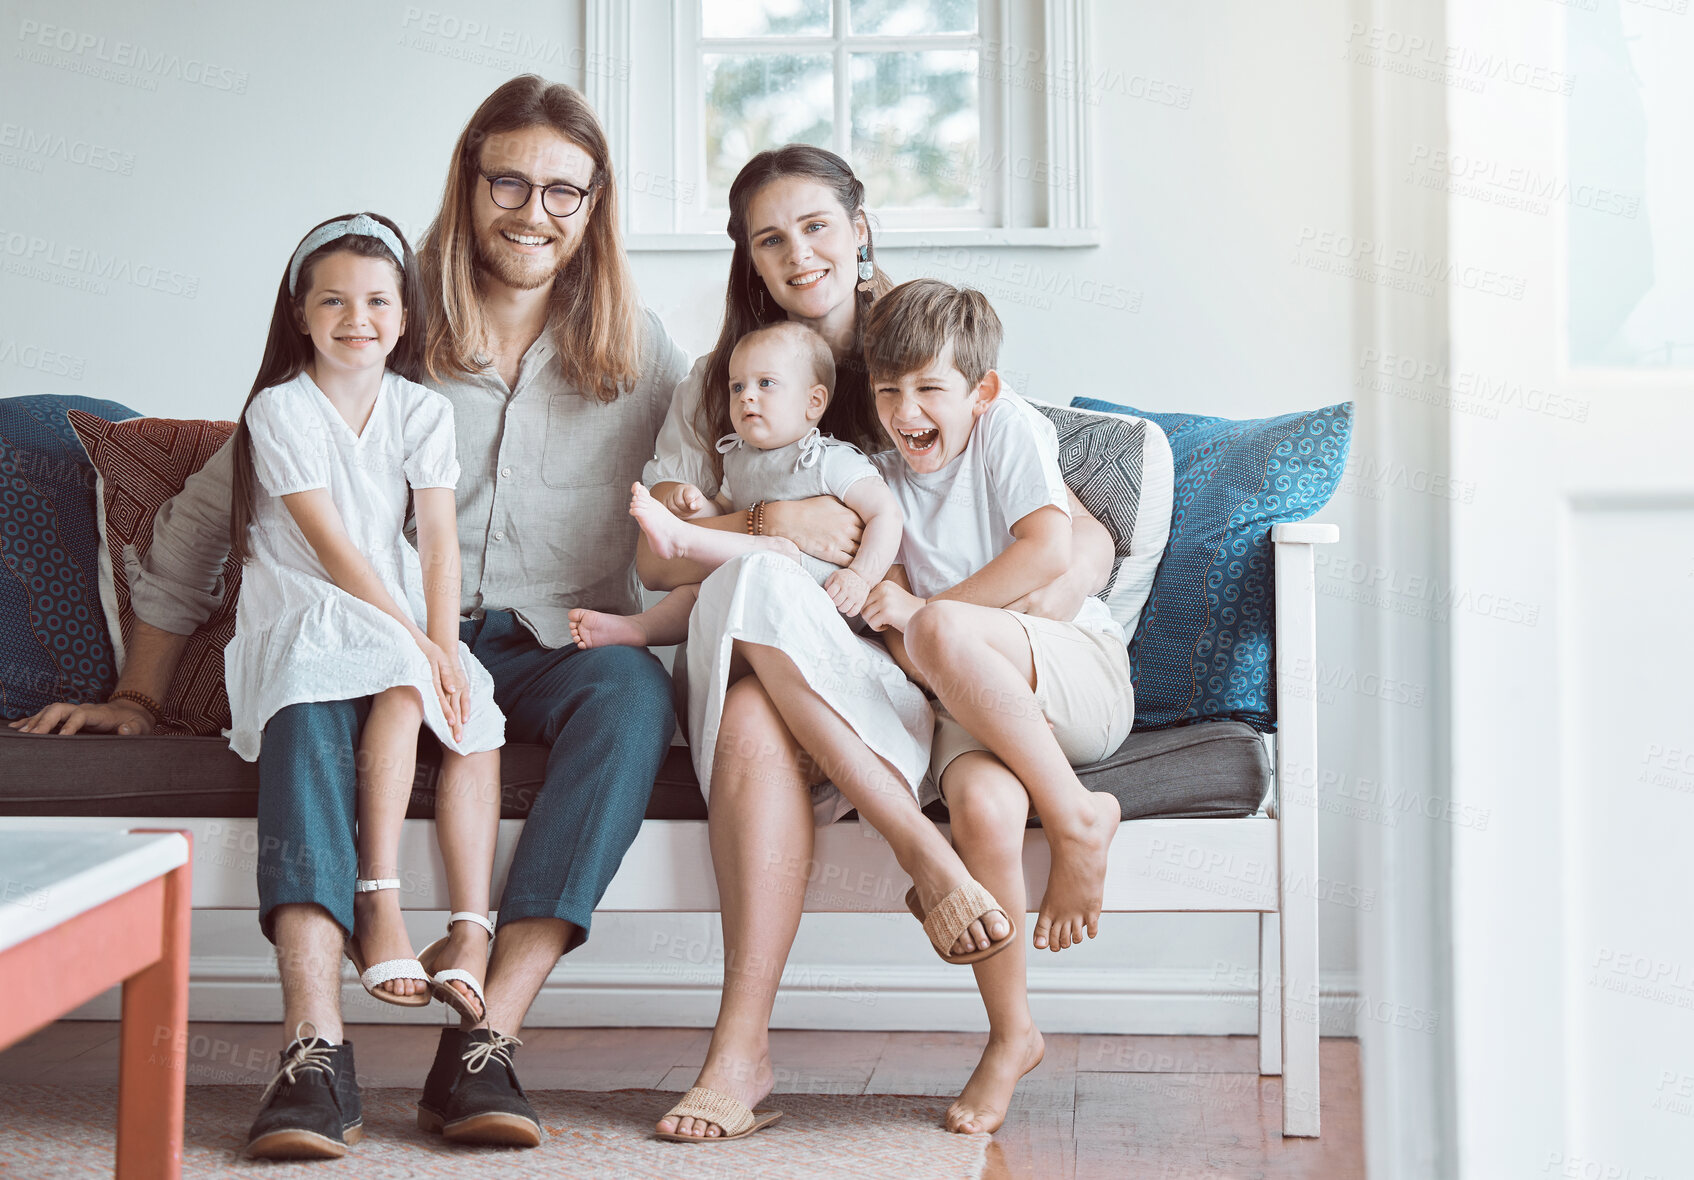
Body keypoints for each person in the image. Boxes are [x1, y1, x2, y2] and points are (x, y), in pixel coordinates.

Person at [11, 75, 688, 1159]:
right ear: (467, 186)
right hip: (384, 639)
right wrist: (138, 692)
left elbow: (714, 470)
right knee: (306, 698)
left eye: (566, 191)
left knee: (633, 696)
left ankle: (487, 1035)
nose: (534, 211)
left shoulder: (642, 351)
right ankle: (312, 1045)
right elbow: (207, 514)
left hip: (561, 646)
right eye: (508, 180)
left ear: (595, 204)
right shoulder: (384, 325)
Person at [642, 145, 1121, 1142]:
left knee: (771, 668)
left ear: (859, 231)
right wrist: (772, 525)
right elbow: (661, 564)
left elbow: (1074, 538)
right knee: (748, 668)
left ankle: (919, 897)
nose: (798, 253)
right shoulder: (726, 380)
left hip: (925, 660)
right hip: (818, 647)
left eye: (817, 225)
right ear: (748, 258)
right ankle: (746, 1043)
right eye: (770, 238)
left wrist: (1000, 631)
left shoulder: (921, 355)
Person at [860, 278, 1135, 1134]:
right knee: (977, 802)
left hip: (1073, 679)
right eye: (889, 390)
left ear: (980, 391)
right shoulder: (878, 485)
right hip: (974, 711)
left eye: (930, 388)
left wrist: (943, 624)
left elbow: (1048, 547)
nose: (908, 410)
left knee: (941, 624)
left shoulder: (1007, 430)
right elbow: (903, 640)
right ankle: (1013, 1034)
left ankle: (1078, 818)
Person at [223, 212, 503, 1028]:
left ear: (405, 316)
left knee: (470, 716)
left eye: (379, 302)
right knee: (408, 677)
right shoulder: (279, 410)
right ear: (299, 314)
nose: (358, 321)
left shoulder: (423, 410)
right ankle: (377, 897)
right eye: (334, 302)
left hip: (393, 600)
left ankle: (468, 931)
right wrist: (416, 645)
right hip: (308, 599)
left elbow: (440, 542)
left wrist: (444, 645)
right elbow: (333, 548)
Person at [569, 320, 902, 650]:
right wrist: (699, 506)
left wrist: (860, 576)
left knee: (779, 552)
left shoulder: (828, 459)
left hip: (831, 592)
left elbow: (886, 514)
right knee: (701, 591)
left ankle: (683, 540)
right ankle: (640, 629)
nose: (747, 397)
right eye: (737, 387)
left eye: (766, 383)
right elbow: (729, 509)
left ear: (813, 402)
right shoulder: (739, 458)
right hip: (765, 588)